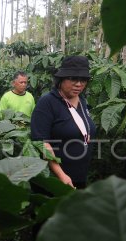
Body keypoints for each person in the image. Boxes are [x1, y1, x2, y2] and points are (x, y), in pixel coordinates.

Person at [31, 56, 96, 189]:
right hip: (56, 181)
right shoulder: (48, 102)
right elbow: (42, 142)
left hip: (79, 177)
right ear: (61, 80)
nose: (79, 84)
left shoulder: (82, 100)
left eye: (83, 80)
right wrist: (61, 175)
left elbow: (79, 125)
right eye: (73, 79)